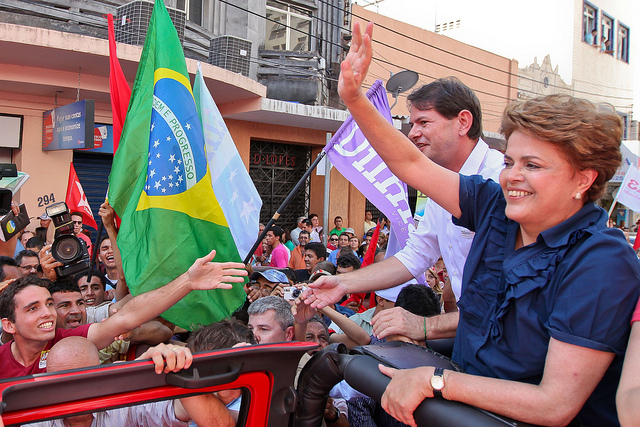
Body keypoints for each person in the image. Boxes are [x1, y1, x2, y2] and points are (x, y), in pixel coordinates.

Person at [305, 22, 640, 426]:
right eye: (511, 162)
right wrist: (354, 99)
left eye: (532, 166)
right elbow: (410, 164)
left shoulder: (601, 261)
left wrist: (438, 382)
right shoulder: (493, 203)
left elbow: (555, 404)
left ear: (584, 180)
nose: (512, 176)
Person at [0, 250, 246, 379]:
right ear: (9, 325)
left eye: (48, 304)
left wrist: (187, 282)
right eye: (33, 308)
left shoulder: (68, 340)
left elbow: (124, 319)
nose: (48, 314)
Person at [24, 337, 235, 426]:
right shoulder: (33, 416)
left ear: (100, 375)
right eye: (59, 385)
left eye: (81, 381)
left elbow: (213, 422)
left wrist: (177, 369)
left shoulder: (126, 402)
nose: (70, 394)